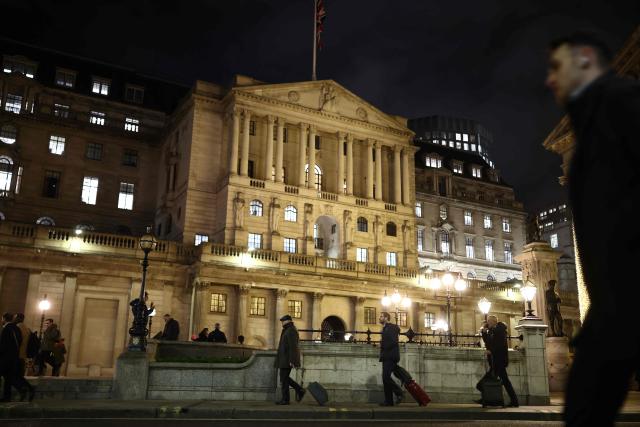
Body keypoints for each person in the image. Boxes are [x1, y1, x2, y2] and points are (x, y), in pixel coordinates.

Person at [545, 31, 640, 426]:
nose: (551, 81)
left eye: (558, 69)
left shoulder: (623, 102)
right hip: (614, 307)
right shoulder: (591, 126)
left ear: (585, 62)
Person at [479, 315, 518, 407]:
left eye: (488, 321)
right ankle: (488, 399)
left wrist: (491, 350)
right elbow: (488, 343)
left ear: (493, 322)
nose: (487, 323)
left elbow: (498, 345)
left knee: (484, 383)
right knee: (503, 381)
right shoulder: (493, 331)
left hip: (499, 361)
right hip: (495, 362)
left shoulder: (500, 330)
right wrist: (484, 333)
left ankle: (487, 400)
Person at [0, 312, 35, 402]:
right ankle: (9, 396)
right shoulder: (18, 328)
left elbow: (3, 345)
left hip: (7, 358)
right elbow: (19, 342)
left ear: (4, 319)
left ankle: (23, 389)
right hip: (16, 356)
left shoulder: (7, 329)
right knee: (10, 377)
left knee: (11, 376)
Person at [273, 314, 305, 405]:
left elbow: (293, 347)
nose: (282, 323)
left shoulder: (291, 330)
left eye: (283, 321)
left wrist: (292, 360)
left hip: (287, 360)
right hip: (284, 359)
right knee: (285, 378)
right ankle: (300, 390)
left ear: (288, 321)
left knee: (284, 379)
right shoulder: (287, 330)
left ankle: (286, 399)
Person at [378, 311, 404, 406]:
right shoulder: (385, 328)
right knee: (385, 379)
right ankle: (389, 401)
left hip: (391, 356)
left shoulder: (391, 327)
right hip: (386, 356)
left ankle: (399, 392)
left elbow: (394, 341)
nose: (379, 318)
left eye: (381, 316)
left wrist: (383, 345)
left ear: (386, 318)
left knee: (385, 377)